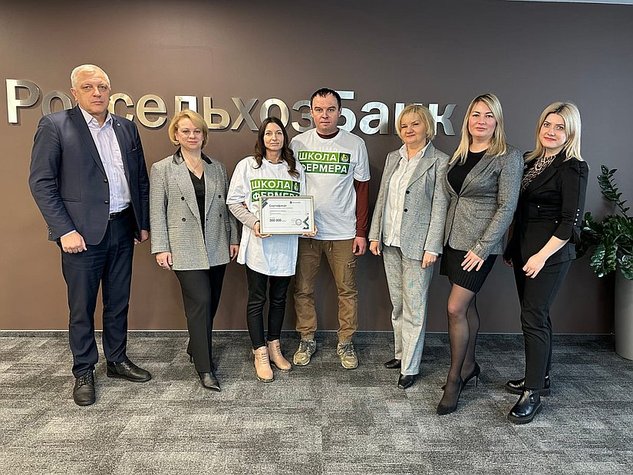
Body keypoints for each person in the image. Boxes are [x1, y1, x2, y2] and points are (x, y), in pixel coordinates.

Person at [29, 64, 151, 406]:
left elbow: (139, 178)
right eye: (88, 87)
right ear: (74, 92)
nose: (96, 93)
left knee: (118, 301)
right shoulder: (55, 125)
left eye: (102, 87)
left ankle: (116, 360)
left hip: (123, 227)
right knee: (81, 307)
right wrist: (65, 230)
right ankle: (84, 369)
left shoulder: (126, 128)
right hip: (80, 234)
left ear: (110, 91)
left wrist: (142, 222)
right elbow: (41, 182)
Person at [437, 93, 523, 415]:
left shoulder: (507, 156)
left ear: (497, 121)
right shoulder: (459, 154)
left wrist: (482, 248)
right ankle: (470, 365)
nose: (481, 121)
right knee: (467, 305)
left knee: (455, 307)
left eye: (489, 115)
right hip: (453, 241)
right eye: (476, 114)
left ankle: (454, 379)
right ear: (468, 120)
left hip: (479, 245)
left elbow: (507, 207)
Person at [503, 102, 588, 424]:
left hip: (550, 254)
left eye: (560, 127)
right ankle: (541, 376)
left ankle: (533, 392)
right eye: (547, 125)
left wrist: (541, 256)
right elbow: (519, 210)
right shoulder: (530, 160)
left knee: (533, 318)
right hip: (524, 251)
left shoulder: (573, 167)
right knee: (536, 316)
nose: (551, 132)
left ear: (571, 133)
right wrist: (514, 248)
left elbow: (569, 222)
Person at [150, 110, 238, 392]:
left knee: (211, 302)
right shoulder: (162, 168)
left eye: (197, 131)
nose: (191, 136)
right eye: (185, 131)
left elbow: (228, 208)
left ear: (204, 136)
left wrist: (234, 239)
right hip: (184, 245)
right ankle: (205, 367)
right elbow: (157, 211)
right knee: (200, 301)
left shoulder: (217, 168)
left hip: (216, 243)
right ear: (176, 135)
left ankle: (195, 346)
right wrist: (161, 247)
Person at [368, 105, 449, 389]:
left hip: (418, 246)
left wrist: (433, 246)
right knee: (398, 304)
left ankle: (410, 367)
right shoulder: (394, 157)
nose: (409, 130)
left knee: (415, 308)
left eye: (415, 124)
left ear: (427, 127)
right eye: (404, 125)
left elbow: (440, 206)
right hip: (390, 240)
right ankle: (401, 354)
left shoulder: (440, 161)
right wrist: (375, 234)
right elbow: (382, 197)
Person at [290, 88, 371, 369]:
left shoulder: (355, 144)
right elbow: (290, 185)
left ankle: (346, 342)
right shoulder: (298, 143)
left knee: (347, 291)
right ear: (311, 112)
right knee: (302, 289)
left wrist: (361, 231)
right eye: (319, 109)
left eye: (330, 109)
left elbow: (362, 190)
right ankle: (307, 338)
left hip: (343, 232)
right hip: (306, 232)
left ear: (340, 112)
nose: (325, 115)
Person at [227, 117, 312, 382]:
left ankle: (274, 346)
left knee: (278, 298)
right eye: (268, 133)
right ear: (261, 138)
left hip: (286, 245)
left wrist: (307, 224)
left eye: (278, 133)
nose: (274, 138)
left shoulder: (294, 168)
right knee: (257, 299)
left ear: (284, 138)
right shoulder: (248, 166)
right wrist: (254, 222)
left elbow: (303, 203)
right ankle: (260, 352)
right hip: (259, 245)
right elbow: (233, 202)